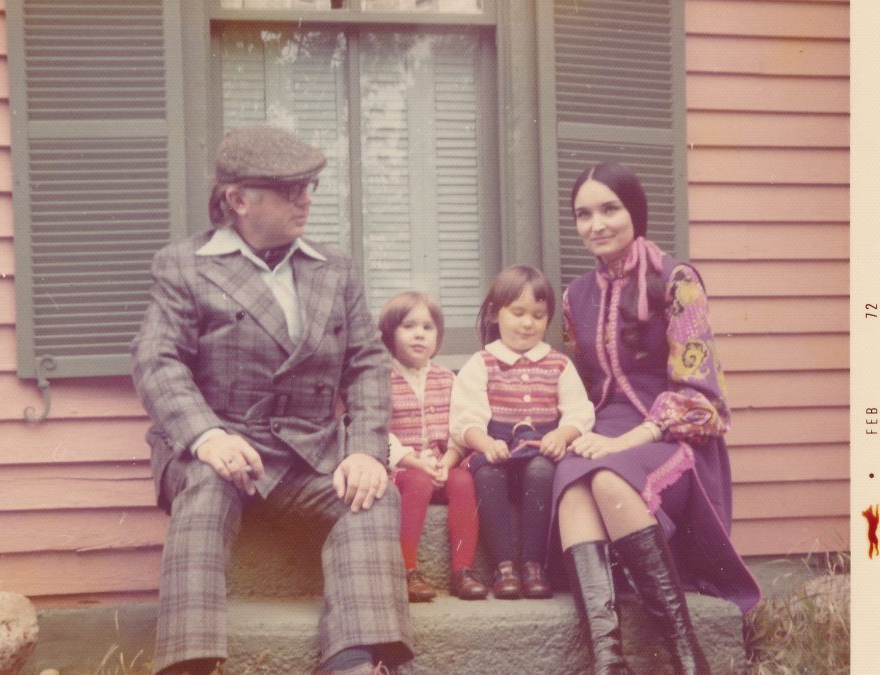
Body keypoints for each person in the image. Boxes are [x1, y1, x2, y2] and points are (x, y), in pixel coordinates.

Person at [131, 125, 413, 675]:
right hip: (222, 445)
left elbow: (366, 364)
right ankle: (191, 665)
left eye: (309, 186)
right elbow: (155, 359)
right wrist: (207, 436)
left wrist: (364, 449)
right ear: (238, 200)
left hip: (309, 451)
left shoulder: (334, 268)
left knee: (372, 496)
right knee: (205, 489)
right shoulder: (185, 265)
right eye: (289, 190)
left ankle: (354, 660)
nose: (305, 199)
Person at [554, 162, 761, 674]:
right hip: (604, 427)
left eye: (609, 209)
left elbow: (704, 398)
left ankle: (687, 656)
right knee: (572, 483)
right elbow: (582, 386)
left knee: (607, 477)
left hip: (673, 432)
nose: (596, 224)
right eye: (584, 214)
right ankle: (608, 660)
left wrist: (626, 442)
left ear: (635, 212)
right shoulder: (575, 296)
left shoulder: (676, 280)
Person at [450, 266, 595, 600]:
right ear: (494, 313)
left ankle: (533, 565)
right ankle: (503, 566)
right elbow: (464, 418)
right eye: (517, 313)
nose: (528, 323)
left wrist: (562, 435)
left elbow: (579, 412)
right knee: (487, 474)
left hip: (540, 454)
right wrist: (486, 443)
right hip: (497, 452)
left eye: (538, 316)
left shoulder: (558, 364)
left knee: (542, 470)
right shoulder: (482, 363)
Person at [378, 291, 487, 603]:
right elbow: (378, 432)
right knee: (418, 481)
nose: (419, 334)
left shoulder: (447, 379)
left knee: (463, 481)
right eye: (408, 326)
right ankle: (407, 569)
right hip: (402, 471)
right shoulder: (381, 379)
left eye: (427, 327)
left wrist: (447, 461)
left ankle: (462, 570)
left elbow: (459, 427)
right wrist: (413, 461)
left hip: (440, 465)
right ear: (389, 333)